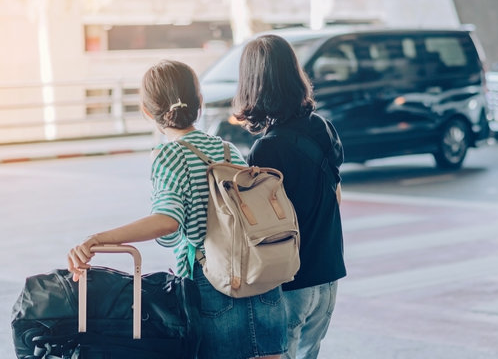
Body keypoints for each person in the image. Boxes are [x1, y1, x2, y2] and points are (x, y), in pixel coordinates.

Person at [67, 59, 287, 359]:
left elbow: (167, 221)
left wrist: (99, 238)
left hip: (215, 283)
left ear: (147, 112)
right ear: (200, 102)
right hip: (260, 276)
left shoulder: (170, 156)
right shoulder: (227, 150)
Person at [233, 35, 347, 359]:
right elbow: (335, 194)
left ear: (253, 84)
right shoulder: (324, 128)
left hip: (292, 281)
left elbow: (260, 226)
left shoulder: (266, 149)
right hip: (328, 276)